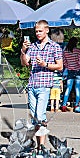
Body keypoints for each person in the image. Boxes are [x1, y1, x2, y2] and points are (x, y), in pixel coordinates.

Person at [21, 20, 63, 150]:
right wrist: (23, 50)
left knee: (40, 116)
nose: (38, 33)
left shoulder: (54, 46)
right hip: (32, 84)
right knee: (35, 118)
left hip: (45, 85)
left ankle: (42, 146)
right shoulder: (32, 46)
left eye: (40, 31)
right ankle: (38, 146)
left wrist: (45, 65)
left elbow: (60, 66)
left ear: (47, 30)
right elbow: (24, 63)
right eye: (36, 31)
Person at [61, 37, 80, 112]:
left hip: (70, 71)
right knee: (77, 88)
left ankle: (64, 104)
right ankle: (77, 104)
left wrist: (68, 66)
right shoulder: (78, 51)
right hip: (77, 71)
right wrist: (78, 65)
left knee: (68, 88)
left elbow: (64, 61)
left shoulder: (65, 51)